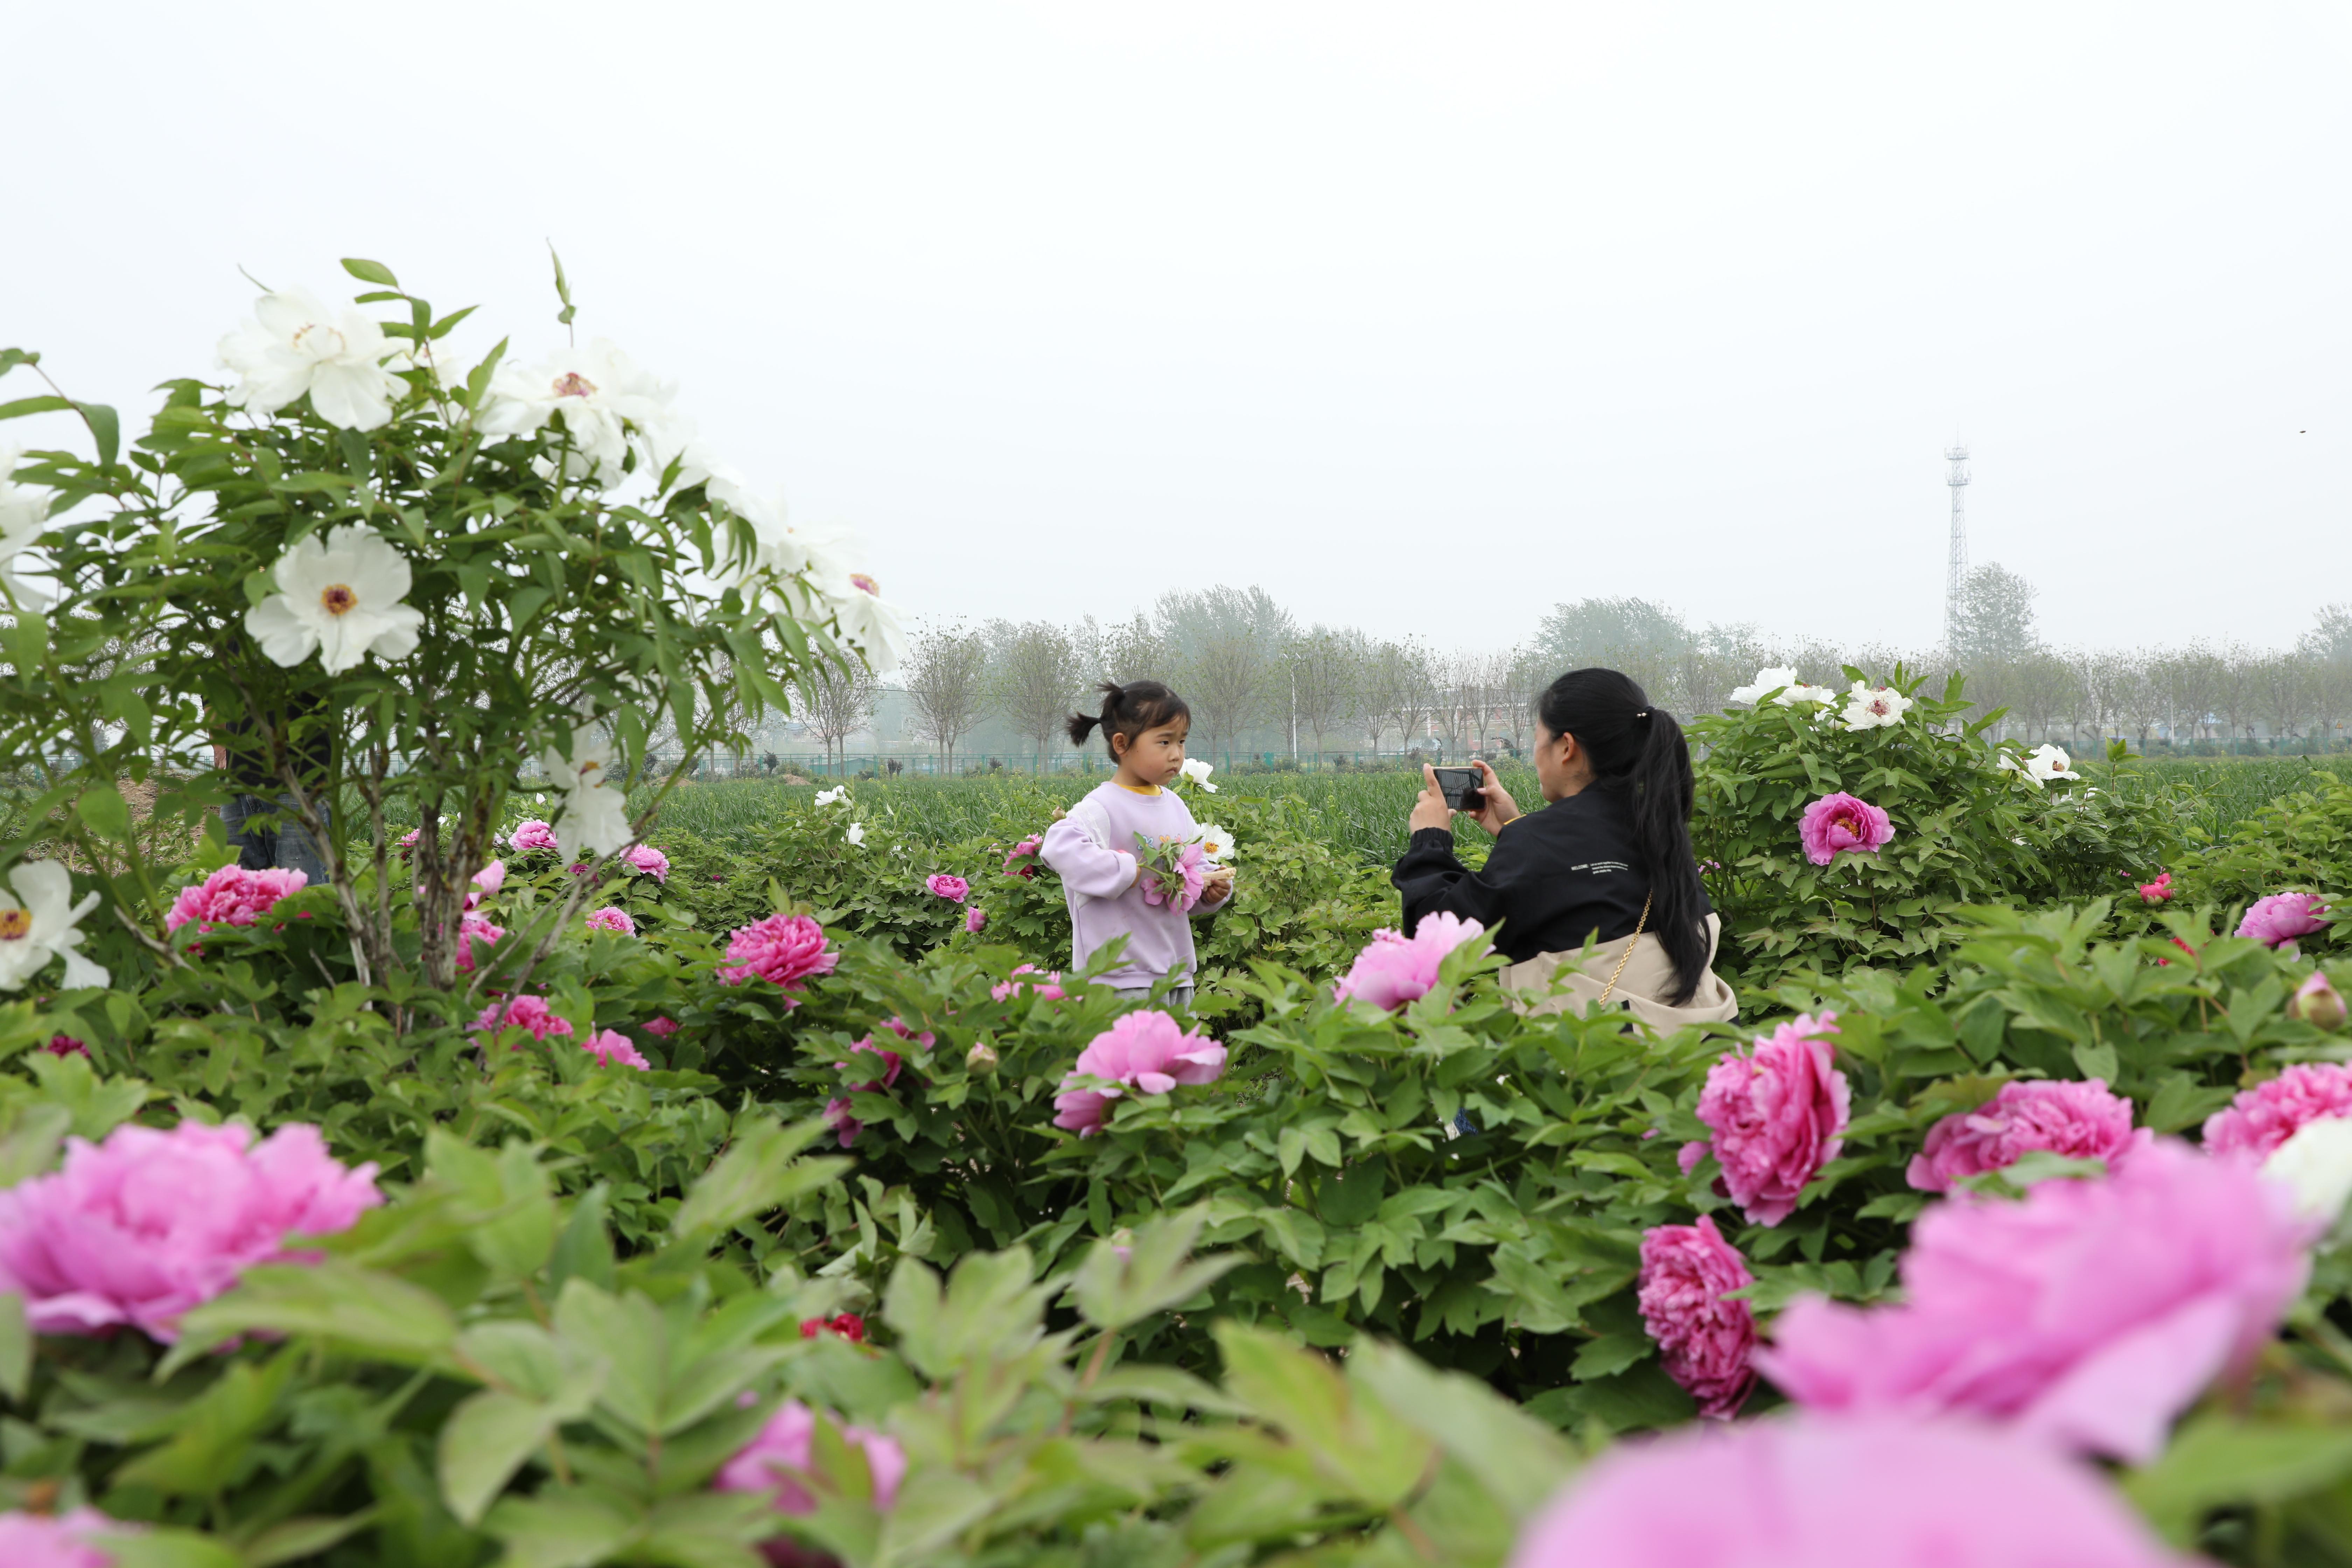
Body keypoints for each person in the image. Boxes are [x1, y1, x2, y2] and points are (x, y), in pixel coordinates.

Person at [1392, 667, 1737, 1027]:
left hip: (1602, 1067)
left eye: (1538, 739)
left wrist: (1429, 840)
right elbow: (1588, 889)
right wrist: (1515, 828)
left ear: (1567, 748)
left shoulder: (1539, 842)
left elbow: (1438, 942)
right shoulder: (1660, 829)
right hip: (1704, 1050)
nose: (1536, 753)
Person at [1039, 681, 1236, 1008]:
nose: (1177, 755)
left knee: (1170, 1059)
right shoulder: (1101, 807)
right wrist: (1122, 870)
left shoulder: (1175, 806)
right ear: (1122, 744)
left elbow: (1191, 871)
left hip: (1175, 973)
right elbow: (1057, 848)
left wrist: (1209, 890)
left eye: (1182, 742)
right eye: (1164, 741)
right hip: (1118, 978)